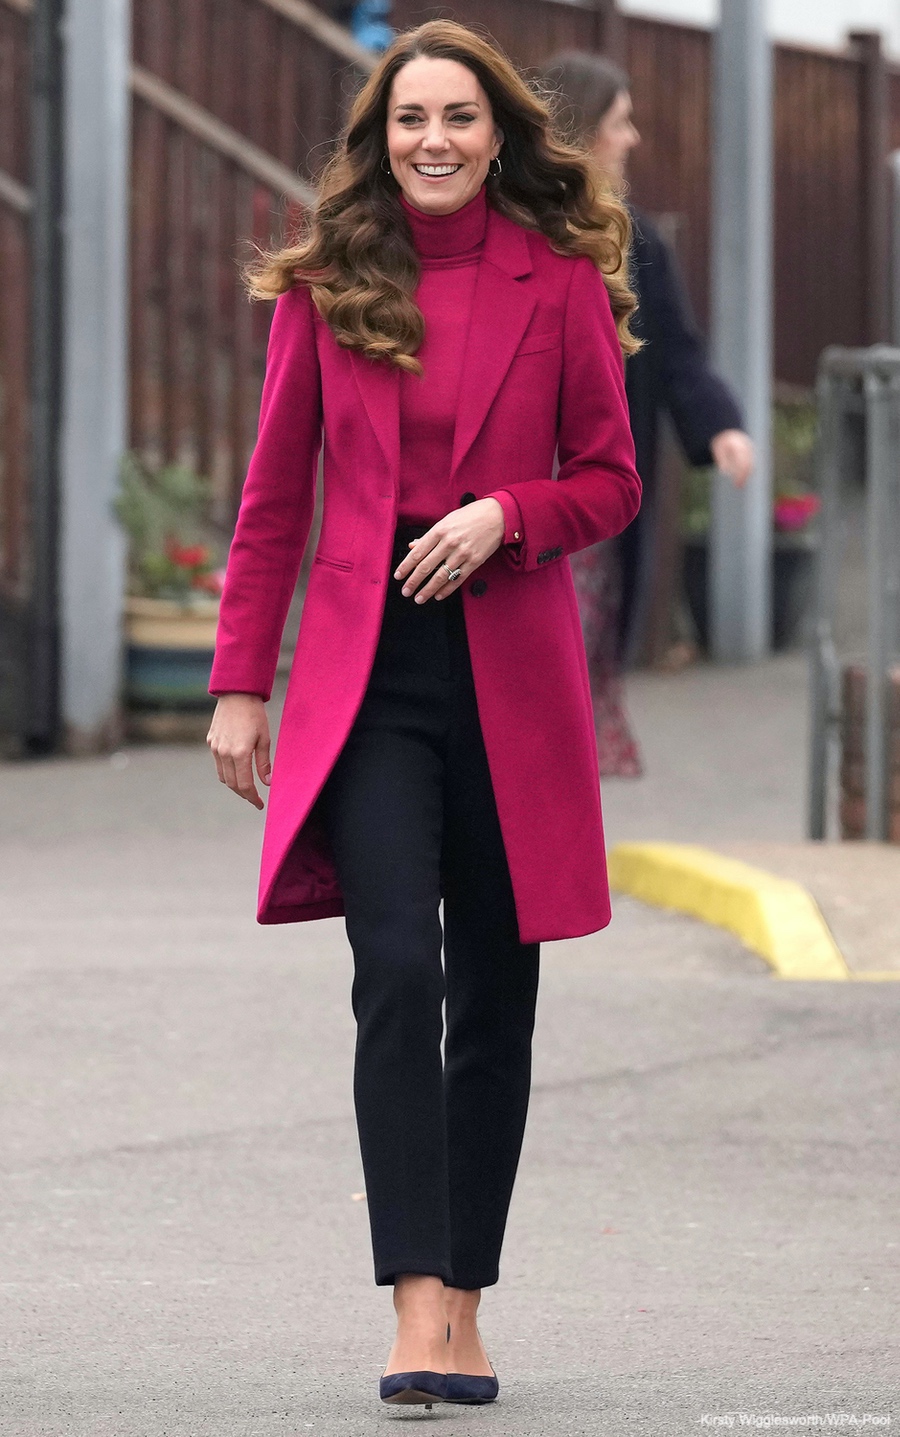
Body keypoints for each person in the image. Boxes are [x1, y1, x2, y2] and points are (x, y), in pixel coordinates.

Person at [206, 20, 641, 1410]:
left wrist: (508, 513)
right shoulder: (328, 286)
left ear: (498, 133)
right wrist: (237, 680)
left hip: (510, 673)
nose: (434, 141)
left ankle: (466, 1298)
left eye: (458, 118)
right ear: (380, 138)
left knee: (497, 999)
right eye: (410, 121)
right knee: (397, 967)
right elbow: (275, 499)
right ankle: (410, 1303)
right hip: (370, 679)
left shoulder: (560, 281)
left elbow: (611, 478)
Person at [540, 51, 755, 775]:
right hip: (511, 484)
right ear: (580, 132)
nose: (631, 139)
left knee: (579, 645)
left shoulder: (634, 239)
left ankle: (548, 795)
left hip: (591, 494)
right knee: (536, 654)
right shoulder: (508, 225)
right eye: (620, 122)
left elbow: (679, 352)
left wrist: (720, 425)